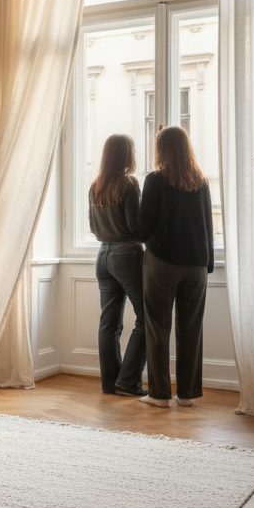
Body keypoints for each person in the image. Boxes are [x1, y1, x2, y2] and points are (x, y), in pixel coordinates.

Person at [138, 126, 215, 408]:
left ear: (162, 149)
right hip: (196, 265)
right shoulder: (202, 182)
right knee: (191, 329)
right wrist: (208, 265)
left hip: (163, 263)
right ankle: (187, 394)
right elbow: (209, 227)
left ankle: (159, 395)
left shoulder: (155, 181)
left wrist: (138, 233)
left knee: (158, 328)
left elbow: (144, 225)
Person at [88, 134, 148, 397]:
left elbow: (92, 227)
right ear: (127, 155)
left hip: (102, 256)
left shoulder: (95, 186)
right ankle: (128, 382)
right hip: (127, 255)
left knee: (109, 323)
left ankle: (109, 383)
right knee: (148, 320)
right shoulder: (130, 184)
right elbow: (136, 227)